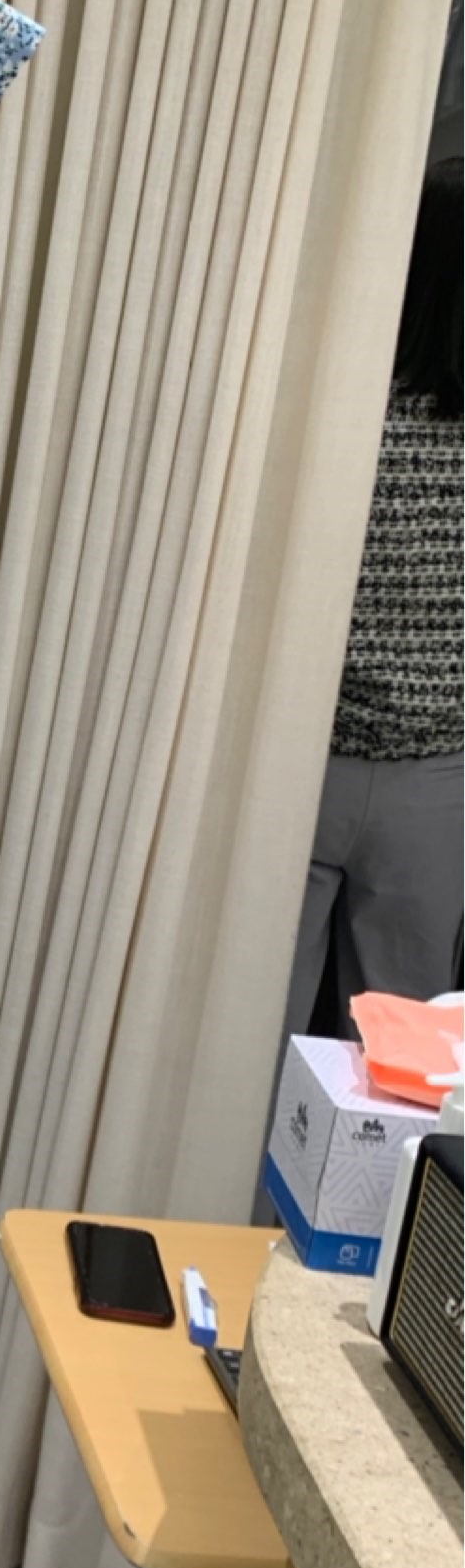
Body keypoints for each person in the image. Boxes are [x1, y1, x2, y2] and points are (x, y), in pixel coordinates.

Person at [283, 157, 465, 1041]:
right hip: (436, 778)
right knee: (400, 1061)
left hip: (294, 759)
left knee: (242, 1037)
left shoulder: (336, 407)